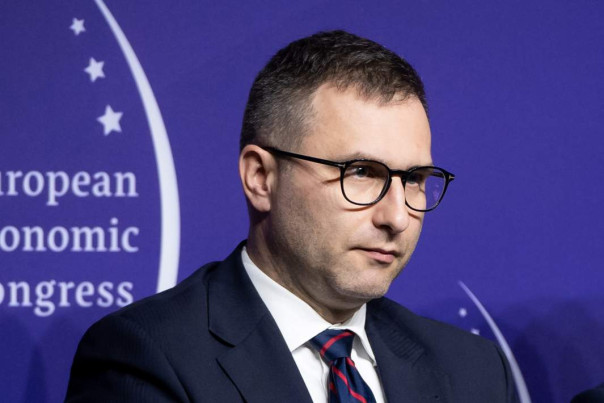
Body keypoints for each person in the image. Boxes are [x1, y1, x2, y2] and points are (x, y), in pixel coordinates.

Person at [66, 30, 517, 402]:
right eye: (361, 172)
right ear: (261, 178)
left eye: (414, 178)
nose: (397, 217)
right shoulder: (147, 358)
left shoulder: (474, 372)